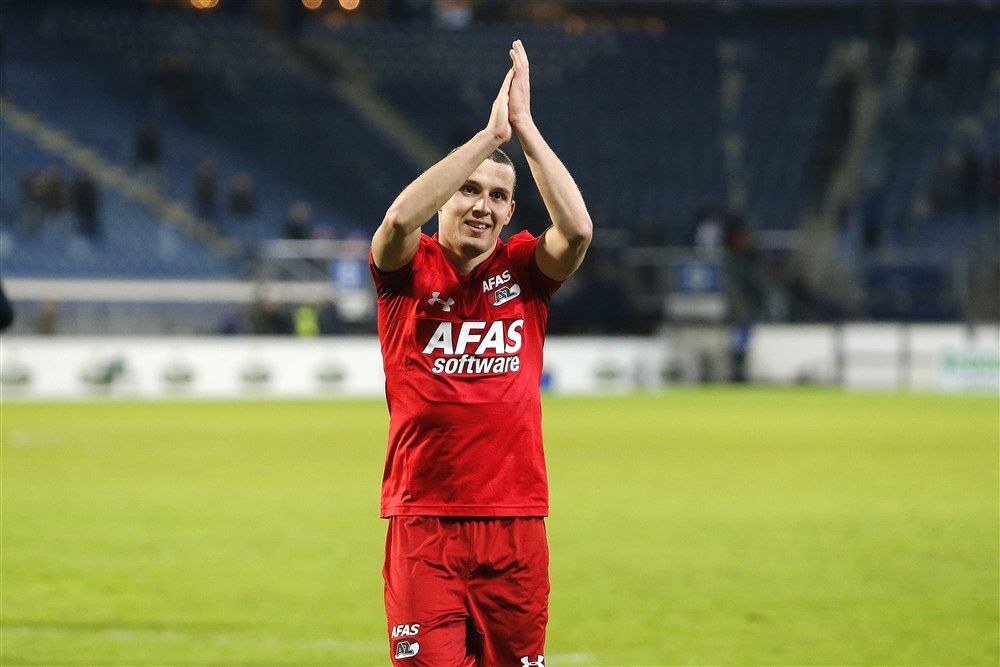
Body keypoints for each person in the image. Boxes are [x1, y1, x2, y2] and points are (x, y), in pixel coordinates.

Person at [369, 40, 592, 667]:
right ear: (444, 198)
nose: (481, 206)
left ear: (510, 213)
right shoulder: (407, 272)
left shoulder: (524, 270)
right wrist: (487, 136)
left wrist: (523, 133)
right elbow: (394, 224)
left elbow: (576, 231)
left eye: (496, 197)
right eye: (468, 191)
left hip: (516, 525)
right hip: (425, 524)